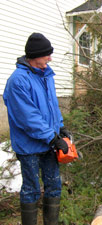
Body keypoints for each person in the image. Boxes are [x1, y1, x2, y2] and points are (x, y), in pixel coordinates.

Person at [3, 32, 71, 225]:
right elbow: (28, 117)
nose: (50, 58)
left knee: (54, 186)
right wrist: (52, 137)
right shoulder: (18, 81)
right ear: (34, 56)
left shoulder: (46, 75)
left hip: (48, 142)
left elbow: (52, 105)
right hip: (30, 146)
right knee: (31, 189)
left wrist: (60, 127)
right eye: (46, 55)